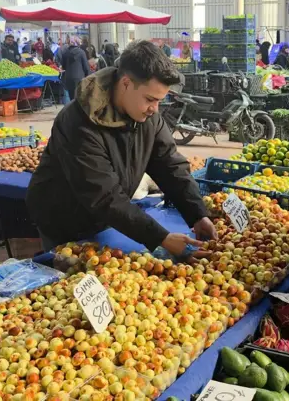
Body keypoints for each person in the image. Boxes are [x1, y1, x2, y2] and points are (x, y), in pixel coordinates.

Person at [26, 40, 216, 254]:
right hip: (64, 219)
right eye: (150, 99)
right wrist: (160, 237)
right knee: (69, 272)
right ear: (126, 83)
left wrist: (198, 214)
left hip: (106, 217)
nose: (155, 109)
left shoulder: (146, 116)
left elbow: (169, 165)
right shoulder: (78, 122)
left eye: (160, 101)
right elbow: (103, 195)